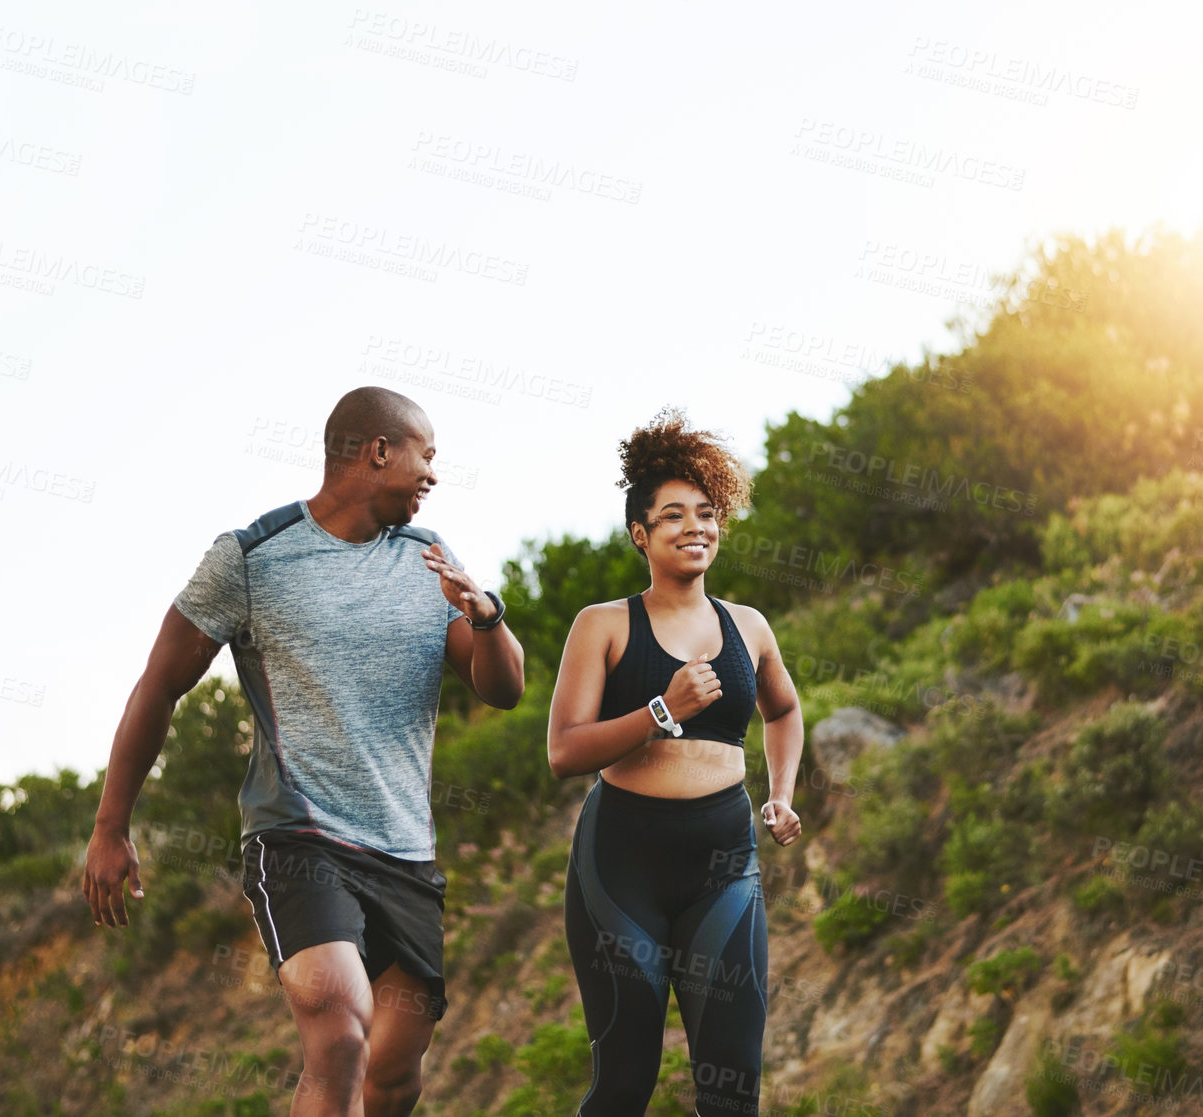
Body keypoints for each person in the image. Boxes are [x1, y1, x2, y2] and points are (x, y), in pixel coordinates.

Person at [81, 386, 525, 1117]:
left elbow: (501, 689)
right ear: (378, 451)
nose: (434, 475)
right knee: (341, 1030)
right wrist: (110, 825)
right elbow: (159, 686)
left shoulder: (430, 558)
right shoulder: (251, 558)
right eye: (426, 455)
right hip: (298, 838)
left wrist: (487, 614)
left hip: (405, 852)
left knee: (394, 1075)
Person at [547, 405, 804, 1116]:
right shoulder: (601, 625)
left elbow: (782, 711)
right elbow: (564, 749)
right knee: (624, 1082)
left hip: (723, 860)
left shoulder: (747, 626)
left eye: (705, 512)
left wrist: (779, 792)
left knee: (730, 1087)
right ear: (640, 533)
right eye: (672, 516)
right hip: (621, 862)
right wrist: (662, 711)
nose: (695, 526)